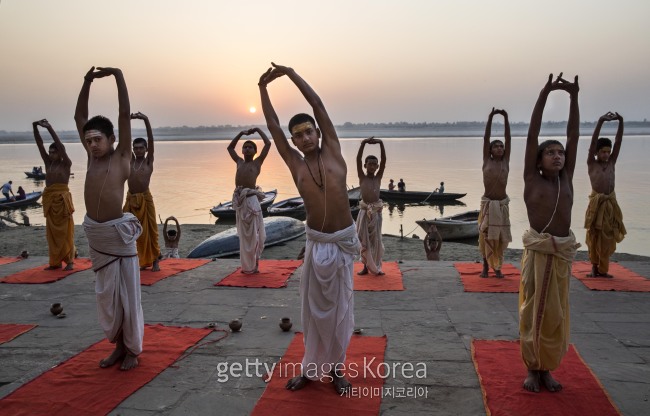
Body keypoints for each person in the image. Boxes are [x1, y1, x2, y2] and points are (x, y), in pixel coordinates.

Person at [259, 63, 360, 394]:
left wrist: (290, 74)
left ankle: (336, 371)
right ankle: (311, 369)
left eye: (308, 132)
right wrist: (263, 88)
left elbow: (318, 104)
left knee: (341, 311)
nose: (304, 139)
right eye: (298, 136)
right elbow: (273, 127)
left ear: (318, 132)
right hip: (317, 243)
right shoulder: (296, 164)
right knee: (314, 312)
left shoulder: (334, 152)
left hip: (342, 240)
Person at [75, 66, 143, 371]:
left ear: (112, 139)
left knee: (127, 297)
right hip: (97, 236)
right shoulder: (91, 158)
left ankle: (132, 349)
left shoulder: (122, 157)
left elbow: (123, 112)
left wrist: (118, 76)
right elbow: (80, 117)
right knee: (107, 297)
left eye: (97, 140)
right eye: (88, 140)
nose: (92, 145)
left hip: (118, 236)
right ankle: (117, 346)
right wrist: (87, 81)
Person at [520, 73, 581, 393]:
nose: (558, 155)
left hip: (561, 253)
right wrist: (545, 93)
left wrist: (573, 97)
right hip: (540, 253)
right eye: (551, 152)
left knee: (556, 314)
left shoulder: (566, 179)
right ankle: (532, 368)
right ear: (540, 160)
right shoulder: (533, 179)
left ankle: (548, 369)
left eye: (560, 153)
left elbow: (574, 134)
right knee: (534, 310)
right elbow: (532, 133)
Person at [585, 112, 626, 278]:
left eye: (608, 152)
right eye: (603, 152)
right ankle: (594, 267)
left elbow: (618, 142)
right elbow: (593, 141)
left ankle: (603, 269)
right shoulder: (591, 163)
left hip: (610, 203)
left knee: (608, 236)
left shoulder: (612, 162)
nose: (606, 155)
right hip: (597, 203)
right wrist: (600, 121)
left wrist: (621, 121)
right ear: (596, 152)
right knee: (595, 235)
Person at [227, 128, 272, 273]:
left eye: (250, 147)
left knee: (255, 235)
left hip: (252, 200)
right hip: (241, 201)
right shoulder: (239, 162)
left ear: (255, 151)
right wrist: (241, 134)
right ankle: (247, 266)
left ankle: (256, 265)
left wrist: (258, 130)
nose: (247, 149)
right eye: (245, 147)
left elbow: (268, 144)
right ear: (242, 151)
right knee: (244, 236)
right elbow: (230, 147)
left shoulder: (257, 163)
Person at [33, 119, 75, 271]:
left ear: (60, 153)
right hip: (50, 201)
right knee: (51, 234)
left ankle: (70, 261)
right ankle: (55, 262)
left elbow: (61, 146)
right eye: (50, 152)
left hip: (62, 202)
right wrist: (35, 127)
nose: (51, 154)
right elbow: (39, 144)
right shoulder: (48, 163)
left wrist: (50, 128)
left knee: (65, 232)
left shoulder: (66, 164)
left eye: (54, 152)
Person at [123, 112, 161, 272]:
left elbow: (151, 140)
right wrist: (127, 122)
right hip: (131, 198)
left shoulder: (148, 161)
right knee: (130, 229)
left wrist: (145, 119)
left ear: (146, 149)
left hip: (145, 198)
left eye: (141, 148)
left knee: (150, 230)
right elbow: (125, 140)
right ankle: (138, 261)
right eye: (135, 148)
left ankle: (155, 261)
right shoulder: (130, 160)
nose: (138, 150)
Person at [479, 108, 512, 278]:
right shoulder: (487, 161)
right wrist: (491, 117)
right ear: (490, 151)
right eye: (496, 147)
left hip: (501, 205)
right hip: (488, 204)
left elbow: (508, 137)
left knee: (499, 237)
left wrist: (506, 118)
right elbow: (486, 139)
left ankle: (497, 267)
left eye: (501, 146)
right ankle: (485, 266)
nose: (499, 148)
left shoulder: (505, 162)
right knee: (486, 236)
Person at [356, 136, 386, 275]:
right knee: (364, 241)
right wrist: (363, 144)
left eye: (375, 164)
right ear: (365, 165)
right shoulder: (362, 177)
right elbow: (358, 160)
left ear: (377, 166)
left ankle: (377, 265)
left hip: (376, 212)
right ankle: (365, 267)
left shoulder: (378, 177)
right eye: (370, 164)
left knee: (376, 241)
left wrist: (381, 143)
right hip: (364, 212)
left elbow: (384, 161)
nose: (372, 166)